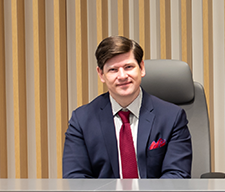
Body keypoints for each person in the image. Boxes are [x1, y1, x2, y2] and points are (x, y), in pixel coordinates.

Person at [62, 36, 192, 178]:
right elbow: (76, 179)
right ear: (101, 74)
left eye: (128, 67)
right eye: (113, 70)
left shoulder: (172, 117)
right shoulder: (81, 121)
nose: (122, 76)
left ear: (141, 68)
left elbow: (177, 176)